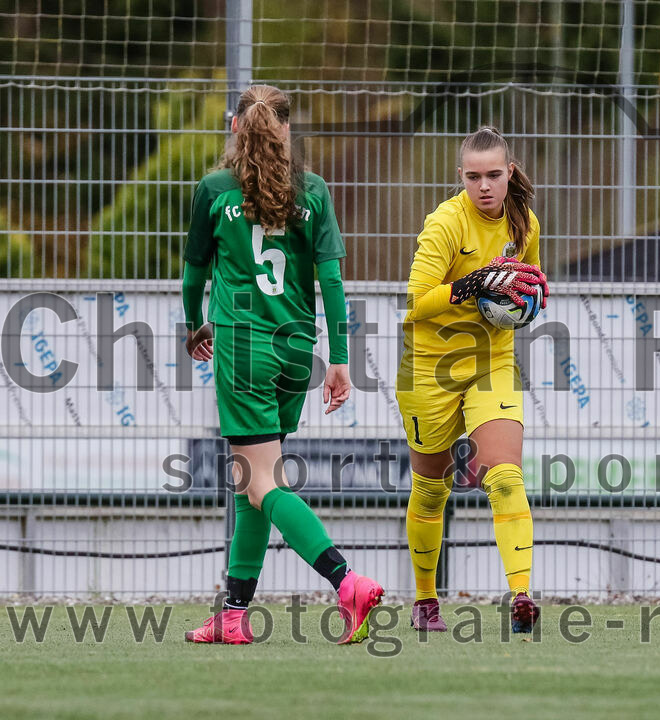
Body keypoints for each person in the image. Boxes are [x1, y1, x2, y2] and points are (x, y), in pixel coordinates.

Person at [180, 84, 383, 645]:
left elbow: (193, 274)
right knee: (251, 480)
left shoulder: (215, 190)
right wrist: (339, 358)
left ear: (235, 125)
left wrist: (193, 324)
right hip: (296, 350)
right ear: (286, 128)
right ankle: (233, 615)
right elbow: (332, 281)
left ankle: (347, 582)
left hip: (244, 350)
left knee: (263, 480)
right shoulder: (313, 191)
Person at [397, 126, 548, 633]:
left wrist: (528, 300)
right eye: (473, 177)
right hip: (431, 368)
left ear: (510, 173)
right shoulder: (445, 223)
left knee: (504, 477)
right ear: (461, 176)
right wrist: (471, 284)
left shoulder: (525, 224)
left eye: (494, 175)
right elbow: (416, 302)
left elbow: (528, 282)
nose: (484, 186)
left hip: (491, 362)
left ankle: (521, 595)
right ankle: (425, 600)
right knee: (431, 489)